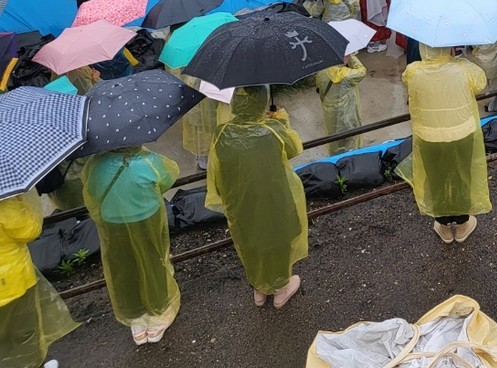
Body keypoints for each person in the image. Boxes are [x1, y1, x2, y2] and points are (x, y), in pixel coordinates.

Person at [205, 87, 307, 309]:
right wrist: (281, 120)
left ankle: (260, 287)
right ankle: (281, 289)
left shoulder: (221, 132)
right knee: (277, 237)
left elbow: (216, 168)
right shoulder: (272, 130)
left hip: (241, 203)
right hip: (275, 198)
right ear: (261, 103)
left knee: (251, 241)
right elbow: (294, 148)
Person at [82, 146, 181, 345]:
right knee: (153, 263)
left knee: (123, 268)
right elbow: (168, 178)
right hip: (147, 219)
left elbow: (91, 190)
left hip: (112, 225)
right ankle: (157, 313)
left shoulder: (94, 165)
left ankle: (135, 318)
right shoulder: (149, 160)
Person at [398, 46, 490, 243]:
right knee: (462, 175)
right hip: (462, 134)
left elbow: (406, 80)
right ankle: (462, 222)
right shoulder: (464, 68)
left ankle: (444, 225)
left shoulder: (414, 71)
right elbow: (481, 82)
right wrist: (460, 60)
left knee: (435, 178)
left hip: (429, 137)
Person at [0, 188, 78, 366]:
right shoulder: (5, 205)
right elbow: (30, 230)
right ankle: (34, 364)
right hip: (13, 282)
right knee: (24, 330)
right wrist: (20, 201)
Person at [315, 54, 366, 155]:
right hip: (348, 113)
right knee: (351, 140)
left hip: (331, 112)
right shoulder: (347, 76)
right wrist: (351, 57)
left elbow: (320, 90)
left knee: (335, 140)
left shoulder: (321, 72)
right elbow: (362, 70)